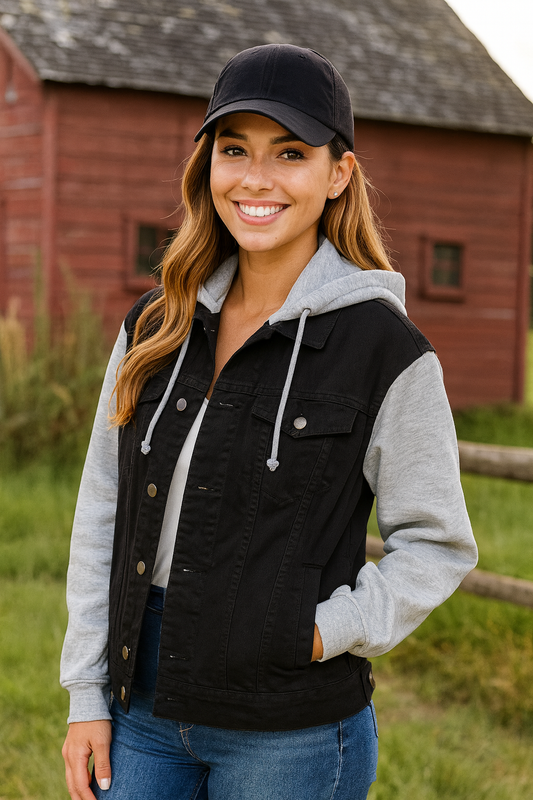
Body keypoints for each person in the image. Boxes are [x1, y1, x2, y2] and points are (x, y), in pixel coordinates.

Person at [60, 43, 477, 800]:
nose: (255, 178)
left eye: (289, 152)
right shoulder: (156, 325)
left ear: (337, 173)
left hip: (290, 732)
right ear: (207, 166)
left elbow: (437, 544)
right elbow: (103, 512)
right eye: (233, 150)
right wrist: (86, 694)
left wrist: (320, 633)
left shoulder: (386, 351)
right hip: (143, 709)